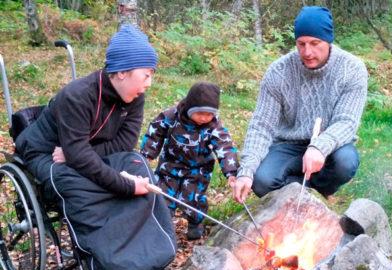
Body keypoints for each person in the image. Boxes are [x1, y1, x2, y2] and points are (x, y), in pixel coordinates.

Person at [15, 24, 177, 270]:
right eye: (146, 75)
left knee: (136, 164)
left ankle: (153, 253)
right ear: (122, 72)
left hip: (74, 151)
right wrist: (124, 185)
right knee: (77, 180)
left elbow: (124, 143)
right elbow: (80, 158)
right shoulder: (76, 97)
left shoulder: (135, 97)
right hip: (45, 152)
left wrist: (77, 153)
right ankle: (106, 262)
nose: (149, 83)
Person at [232, 6, 368, 203]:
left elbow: (347, 122)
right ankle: (302, 197)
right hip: (289, 144)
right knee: (261, 181)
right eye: (301, 44)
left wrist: (319, 147)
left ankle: (318, 192)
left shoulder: (352, 69)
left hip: (331, 146)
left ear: (329, 41)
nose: (307, 52)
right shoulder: (278, 72)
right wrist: (246, 171)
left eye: (315, 43)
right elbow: (261, 126)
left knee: (345, 163)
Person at [140, 82, 239, 240]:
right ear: (190, 107)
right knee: (163, 195)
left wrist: (231, 172)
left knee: (193, 199)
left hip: (198, 170)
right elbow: (155, 133)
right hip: (170, 165)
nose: (204, 118)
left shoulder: (213, 126)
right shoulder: (171, 117)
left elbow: (225, 147)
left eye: (209, 114)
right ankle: (162, 225)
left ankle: (195, 223)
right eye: (200, 113)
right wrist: (146, 154)